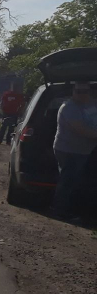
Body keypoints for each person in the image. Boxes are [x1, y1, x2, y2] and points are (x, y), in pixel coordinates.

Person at [50, 83, 97, 220]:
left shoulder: (90, 104)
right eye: (78, 91)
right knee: (67, 182)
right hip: (69, 150)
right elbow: (81, 129)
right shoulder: (69, 107)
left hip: (84, 150)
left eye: (85, 91)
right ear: (73, 91)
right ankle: (60, 211)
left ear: (89, 92)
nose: (82, 94)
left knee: (74, 181)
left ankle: (73, 209)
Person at [0, 80, 25, 145]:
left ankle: (8, 141)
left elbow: (22, 104)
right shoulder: (6, 94)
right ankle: (0, 140)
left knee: (11, 128)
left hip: (14, 113)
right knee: (3, 127)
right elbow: (2, 102)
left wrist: (19, 110)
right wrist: (2, 109)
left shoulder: (18, 95)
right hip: (6, 112)